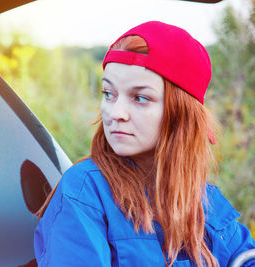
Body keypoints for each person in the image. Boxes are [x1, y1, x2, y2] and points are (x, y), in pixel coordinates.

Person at [33, 21, 255, 267]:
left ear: (181, 113)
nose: (116, 113)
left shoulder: (204, 200)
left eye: (140, 98)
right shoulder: (85, 191)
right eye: (109, 94)